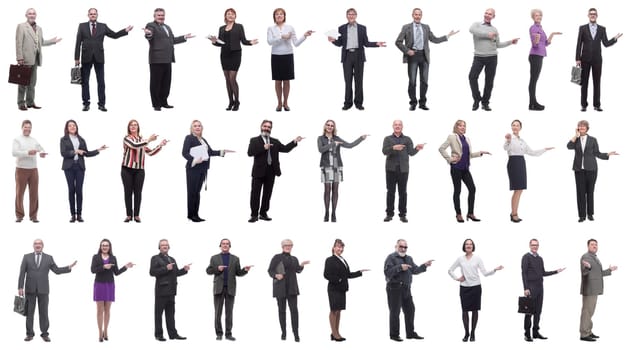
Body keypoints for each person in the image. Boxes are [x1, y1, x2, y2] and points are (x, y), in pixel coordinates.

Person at [395, 8, 458, 111]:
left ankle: (422, 103)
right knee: (412, 81)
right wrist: (407, 51)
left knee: (424, 81)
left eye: (419, 14)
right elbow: (398, 42)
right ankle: (413, 103)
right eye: (416, 14)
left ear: (421, 16)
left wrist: (447, 36)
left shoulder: (426, 27)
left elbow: (434, 39)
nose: (417, 16)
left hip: (424, 56)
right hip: (413, 56)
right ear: (412, 15)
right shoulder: (406, 27)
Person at [17, 239, 77, 342]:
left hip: (43, 290)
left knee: (44, 313)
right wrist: (20, 287)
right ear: (33, 246)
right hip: (29, 289)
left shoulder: (49, 258)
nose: (37, 245)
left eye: (39, 243)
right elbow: (22, 273)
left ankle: (44, 334)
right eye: (36, 243)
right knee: (29, 313)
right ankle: (29, 334)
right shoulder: (26, 257)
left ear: (43, 246)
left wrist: (68, 268)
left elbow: (57, 271)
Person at [74, 8, 132, 112]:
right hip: (86, 57)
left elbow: (114, 35)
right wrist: (76, 58)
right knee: (85, 82)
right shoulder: (82, 26)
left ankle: (101, 104)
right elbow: (78, 42)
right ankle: (86, 104)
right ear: (88, 15)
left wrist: (125, 31)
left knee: (101, 82)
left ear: (97, 15)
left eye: (94, 14)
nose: (93, 15)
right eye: (91, 14)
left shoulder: (103, 26)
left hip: (99, 57)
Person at [328, 8, 386, 110]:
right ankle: (348, 103)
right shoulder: (341, 28)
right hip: (347, 57)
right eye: (349, 14)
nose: (351, 16)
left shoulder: (362, 28)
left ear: (356, 16)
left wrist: (377, 44)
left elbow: (366, 43)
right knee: (348, 81)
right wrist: (333, 41)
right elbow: (340, 43)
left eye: (353, 14)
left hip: (359, 56)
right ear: (346, 16)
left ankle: (358, 103)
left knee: (359, 81)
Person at [247, 120, 303, 223]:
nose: (266, 128)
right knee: (255, 194)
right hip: (258, 172)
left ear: (271, 129)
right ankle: (254, 215)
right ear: (261, 126)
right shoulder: (254, 140)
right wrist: (263, 148)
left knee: (267, 194)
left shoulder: (275, 141)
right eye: (265, 126)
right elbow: (250, 153)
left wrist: (294, 141)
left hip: (271, 171)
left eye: (269, 127)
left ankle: (263, 213)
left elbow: (285, 149)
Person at [448, 239, 503, 342]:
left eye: (470, 244)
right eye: (467, 244)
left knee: (475, 311)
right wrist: (457, 278)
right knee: (464, 311)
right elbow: (450, 270)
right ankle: (466, 333)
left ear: (473, 246)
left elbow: (485, 273)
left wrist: (494, 269)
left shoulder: (477, 258)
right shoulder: (460, 259)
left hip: (476, 287)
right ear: (464, 246)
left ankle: (473, 333)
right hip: (464, 287)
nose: (469, 246)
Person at [439, 120, 490, 222]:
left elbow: (469, 155)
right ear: (456, 127)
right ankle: (458, 214)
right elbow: (441, 148)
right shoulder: (452, 137)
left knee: (472, 189)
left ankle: (470, 213)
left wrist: (480, 153)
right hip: (456, 168)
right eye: (460, 125)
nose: (462, 127)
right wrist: (449, 159)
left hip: (465, 169)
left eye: (464, 126)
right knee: (457, 191)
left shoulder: (467, 139)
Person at [182, 120, 234, 222]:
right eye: (195, 126)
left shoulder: (203, 140)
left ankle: (195, 214)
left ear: (202, 128)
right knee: (192, 192)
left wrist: (222, 151)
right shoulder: (189, 138)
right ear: (191, 128)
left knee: (197, 192)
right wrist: (194, 159)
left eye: (199, 126)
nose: (197, 127)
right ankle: (191, 215)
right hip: (193, 169)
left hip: (203, 169)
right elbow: (184, 153)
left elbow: (210, 152)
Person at [566, 120, 618, 222]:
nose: (581, 128)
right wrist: (575, 136)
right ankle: (581, 216)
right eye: (580, 127)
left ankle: (590, 214)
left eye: (583, 127)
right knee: (580, 193)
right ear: (577, 128)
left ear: (587, 129)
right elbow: (568, 146)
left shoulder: (593, 140)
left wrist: (607, 154)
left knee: (590, 192)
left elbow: (597, 153)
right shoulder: (575, 139)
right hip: (579, 170)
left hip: (592, 169)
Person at [143, 8, 194, 111]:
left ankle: (164, 102)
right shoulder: (151, 25)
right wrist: (148, 33)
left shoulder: (167, 27)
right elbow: (149, 34)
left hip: (168, 58)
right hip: (157, 59)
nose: (161, 17)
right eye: (159, 15)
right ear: (154, 16)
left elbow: (172, 40)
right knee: (156, 83)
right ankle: (156, 104)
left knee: (166, 82)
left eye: (162, 15)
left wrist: (184, 37)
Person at [468, 8, 519, 111]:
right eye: (486, 13)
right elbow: (472, 31)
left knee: (489, 81)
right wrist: (487, 35)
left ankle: (485, 103)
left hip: (492, 57)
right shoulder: (476, 25)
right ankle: (477, 99)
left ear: (493, 17)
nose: (487, 15)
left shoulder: (494, 29)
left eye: (490, 14)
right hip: (479, 57)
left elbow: (498, 45)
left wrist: (510, 42)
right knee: (472, 77)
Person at [503, 120, 553, 222]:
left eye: (517, 125)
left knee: (520, 189)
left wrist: (544, 150)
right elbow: (505, 148)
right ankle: (513, 214)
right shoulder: (509, 138)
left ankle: (514, 213)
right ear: (511, 127)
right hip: (514, 163)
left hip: (521, 163)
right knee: (517, 189)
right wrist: (508, 140)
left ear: (520, 127)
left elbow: (532, 152)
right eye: (513, 125)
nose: (515, 127)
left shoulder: (522, 141)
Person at [209, 8, 258, 111]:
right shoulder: (221, 28)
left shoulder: (239, 27)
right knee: (227, 79)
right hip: (224, 55)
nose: (230, 15)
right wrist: (214, 41)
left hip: (235, 55)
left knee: (232, 78)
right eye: (228, 14)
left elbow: (243, 41)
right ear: (225, 16)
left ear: (235, 16)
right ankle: (230, 101)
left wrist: (250, 42)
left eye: (232, 14)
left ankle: (237, 101)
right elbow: (220, 43)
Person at [318, 120, 367, 222]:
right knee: (327, 190)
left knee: (335, 190)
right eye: (328, 125)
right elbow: (321, 149)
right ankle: (326, 212)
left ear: (334, 128)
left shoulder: (337, 138)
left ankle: (334, 213)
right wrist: (333, 144)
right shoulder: (321, 138)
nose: (330, 127)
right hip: (326, 166)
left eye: (332, 125)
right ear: (325, 126)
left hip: (337, 166)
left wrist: (361, 138)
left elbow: (350, 145)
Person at [384, 239, 433, 342]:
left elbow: (414, 270)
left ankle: (410, 333)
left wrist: (424, 265)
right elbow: (387, 272)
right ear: (396, 247)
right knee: (395, 312)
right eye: (401, 246)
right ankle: (394, 335)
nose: (403, 249)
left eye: (405, 247)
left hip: (406, 289)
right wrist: (400, 267)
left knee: (410, 310)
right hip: (394, 288)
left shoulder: (409, 258)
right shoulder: (391, 258)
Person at [60, 119, 107, 223]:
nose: (72, 127)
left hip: (79, 167)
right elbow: (63, 153)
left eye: (74, 125)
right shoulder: (63, 139)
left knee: (79, 191)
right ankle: (73, 215)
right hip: (69, 168)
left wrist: (98, 150)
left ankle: (79, 214)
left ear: (76, 127)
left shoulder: (81, 139)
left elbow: (86, 153)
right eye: (70, 126)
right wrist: (75, 151)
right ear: (67, 128)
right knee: (71, 190)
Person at [575, 8, 622, 112]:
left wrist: (615, 38)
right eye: (591, 14)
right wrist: (577, 58)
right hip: (585, 59)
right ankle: (583, 105)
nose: (592, 15)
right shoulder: (582, 28)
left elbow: (605, 43)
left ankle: (597, 105)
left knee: (597, 82)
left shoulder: (602, 29)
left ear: (597, 16)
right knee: (584, 83)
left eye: (594, 14)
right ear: (588, 15)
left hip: (597, 60)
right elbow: (579, 44)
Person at [121, 119, 168, 223]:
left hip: (139, 170)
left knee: (138, 192)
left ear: (138, 127)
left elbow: (150, 153)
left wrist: (160, 145)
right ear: (128, 128)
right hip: (127, 169)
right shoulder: (127, 138)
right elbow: (134, 145)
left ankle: (136, 215)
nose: (133, 126)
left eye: (135, 125)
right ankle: (129, 215)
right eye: (131, 125)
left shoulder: (142, 140)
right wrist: (149, 140)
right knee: (128, 192)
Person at [267, 8, 313, 112]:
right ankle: (279, 103)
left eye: (281, 14)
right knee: (278, 81)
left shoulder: (290, 27)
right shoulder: (271, 28)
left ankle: (286, 103)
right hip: (276, 56)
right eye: (277, 14)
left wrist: (304, 36)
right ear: (274, 16)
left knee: (287, 81)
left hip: (288, 55)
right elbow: (269, 42)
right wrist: (281, 37)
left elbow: (296, 43)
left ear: (284, 16)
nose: (279, 16)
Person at [206, 238, 252, 341]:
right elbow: (208, 271)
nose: (225, 245)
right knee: (218, 312)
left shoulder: (235, 258)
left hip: (230, 288)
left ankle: (228, 334)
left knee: (229, 312)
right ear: (220, 245)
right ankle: (219, 333)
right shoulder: (214, 258)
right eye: (223, 244)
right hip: (218, 288)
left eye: (227, 244)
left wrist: (245, 270)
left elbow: (238, 273)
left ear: (230, 246)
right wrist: (217, 269)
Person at [15, 8, 61, 111]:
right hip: (25, 59)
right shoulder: (22, 26)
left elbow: (41, 42)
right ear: (26, 15)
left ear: (36, 15)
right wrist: (19, 57)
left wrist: (53, 41)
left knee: (32, 83)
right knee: (23, 83)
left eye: (34, 13)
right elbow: (18, 43)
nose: (32, 15)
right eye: (30, 13)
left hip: (35, 59)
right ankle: (21, 103)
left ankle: (30, 102)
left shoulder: (39, 28)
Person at [323, 239, 367, 341]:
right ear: (333, 248)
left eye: (342, 247)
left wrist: (359, 272)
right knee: (334, 310)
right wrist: (338, 279)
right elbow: (326, 274)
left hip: (342, 289)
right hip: (334, 288)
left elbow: (347, 275)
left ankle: (336, 332)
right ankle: (334, 334)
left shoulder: (343, 259)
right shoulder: (329, 259)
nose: (340, 249)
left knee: (339, 311)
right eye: (338, 246)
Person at [521, 239, 564, 342]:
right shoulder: (526, 257)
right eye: (533, 245)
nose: (535, 247)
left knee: (538, 311)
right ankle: (527, 334)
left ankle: (535, 332)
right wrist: (526, 288)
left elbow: (543, 273)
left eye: (536, 245)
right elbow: (524, 273)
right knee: (529, 311)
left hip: (540, 287)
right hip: (531, 287)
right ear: (529, 245)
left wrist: (555, 272)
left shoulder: (540, 259)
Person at [90, 239, 134, 342]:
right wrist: (103, 267)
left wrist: (126, 267)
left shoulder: (113, 258)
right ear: (100, 247)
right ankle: (100, 332)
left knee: (108, 310)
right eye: (103, 245)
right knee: (100, 310)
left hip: (109, 285)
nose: (104, 247)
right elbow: (92, 270)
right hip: (99, 285)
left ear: (109, 247)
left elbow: (117, 272)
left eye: (106, 245)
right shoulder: (95, 257)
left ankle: (106, 331)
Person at [268, 239, 309, 342]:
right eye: (286, 245)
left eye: (290, 245)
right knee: (282, 311)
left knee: (294, 311)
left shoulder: (294, 259)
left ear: (292, 246)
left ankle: (296, 334)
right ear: (282, 246)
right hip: (280, 288)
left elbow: (297, 270)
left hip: (292, 288)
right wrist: (276, 275)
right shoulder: (277, 257)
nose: (288, 246)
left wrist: (302, 266)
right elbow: (270, 270)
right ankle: (284, 333)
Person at [382, 120, 424, 223]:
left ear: (402, 127)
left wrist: (417, 149)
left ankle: (403, 214)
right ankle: (389, 214)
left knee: (403, 193)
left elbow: (411, 152)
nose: (397, 126)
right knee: (390, 192)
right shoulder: (387, 139)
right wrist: (393, 148)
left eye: (399, 125)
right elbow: (384, 151)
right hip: (390, 169)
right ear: (393, 126)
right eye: (396, 125)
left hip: (403, 169)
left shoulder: (407, 139)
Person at [149, 239, 190, 341]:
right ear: (159, 247)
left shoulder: (172, 259)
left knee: (171, 314)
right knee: (158, 314)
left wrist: (184, 270)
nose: (165, 246)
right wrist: (166, 268)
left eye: (166, 245)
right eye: (162, 245)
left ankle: (173, 334)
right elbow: (152, 272)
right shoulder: (155, 258)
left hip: (172, 291)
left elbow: (175, 273)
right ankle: (158, 335)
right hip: (161, 291)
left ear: (169, 247)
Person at [579, 239, 617, 341]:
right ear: (588, 246)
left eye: (596, 244)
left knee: (590, 311)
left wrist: (609, 270)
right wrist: (588, 268)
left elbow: (598, 274)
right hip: (589, 288)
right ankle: (584, 334)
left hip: (595, 289)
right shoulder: (585, 257)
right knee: (587, 312)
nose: (594, 246)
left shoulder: (595, 258)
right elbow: (584, 272)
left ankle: (588, 331)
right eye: (592, 244)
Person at [13, 120, 47, 223]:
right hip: (21, 169)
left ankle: (34, 216)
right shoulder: (17, 139)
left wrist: (42, 153)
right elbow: (14, 152)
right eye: (25, 127)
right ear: (22, 127)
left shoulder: (34, 140)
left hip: (33, 170)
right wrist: (28, 152)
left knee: (34, 193)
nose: (27, 129)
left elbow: (41, 148)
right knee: (19, 193)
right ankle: (19, 215)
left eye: (29, 127)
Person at [527, 9, 561, 111]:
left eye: (540, 15)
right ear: (533, 17)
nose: (539, 17)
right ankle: (532, 104)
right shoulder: (533, 28)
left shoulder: (540, 28)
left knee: (534, 80)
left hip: (539, 56)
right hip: (535, 56)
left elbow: (545, 43)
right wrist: (536, 40)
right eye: (536, 15)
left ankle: (533, 103)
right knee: (533, 80)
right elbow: (535, 44)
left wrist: (552, 34)